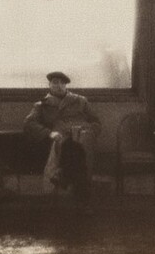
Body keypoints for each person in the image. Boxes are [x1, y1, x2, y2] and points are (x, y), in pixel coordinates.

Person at [24, 71, 101, 209]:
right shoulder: (42, 105)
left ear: (66, 85)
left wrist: (88, 132)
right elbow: (29, 124)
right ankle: (82, 200)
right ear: (49, 85)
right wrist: (49, 133)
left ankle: (62, 175)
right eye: (54, 82)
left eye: (61, 83)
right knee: (74, 151)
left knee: (77, 148)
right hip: (57, 140)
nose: (58, 86)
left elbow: (96, 122)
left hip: (82, 139)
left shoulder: (80, 101)